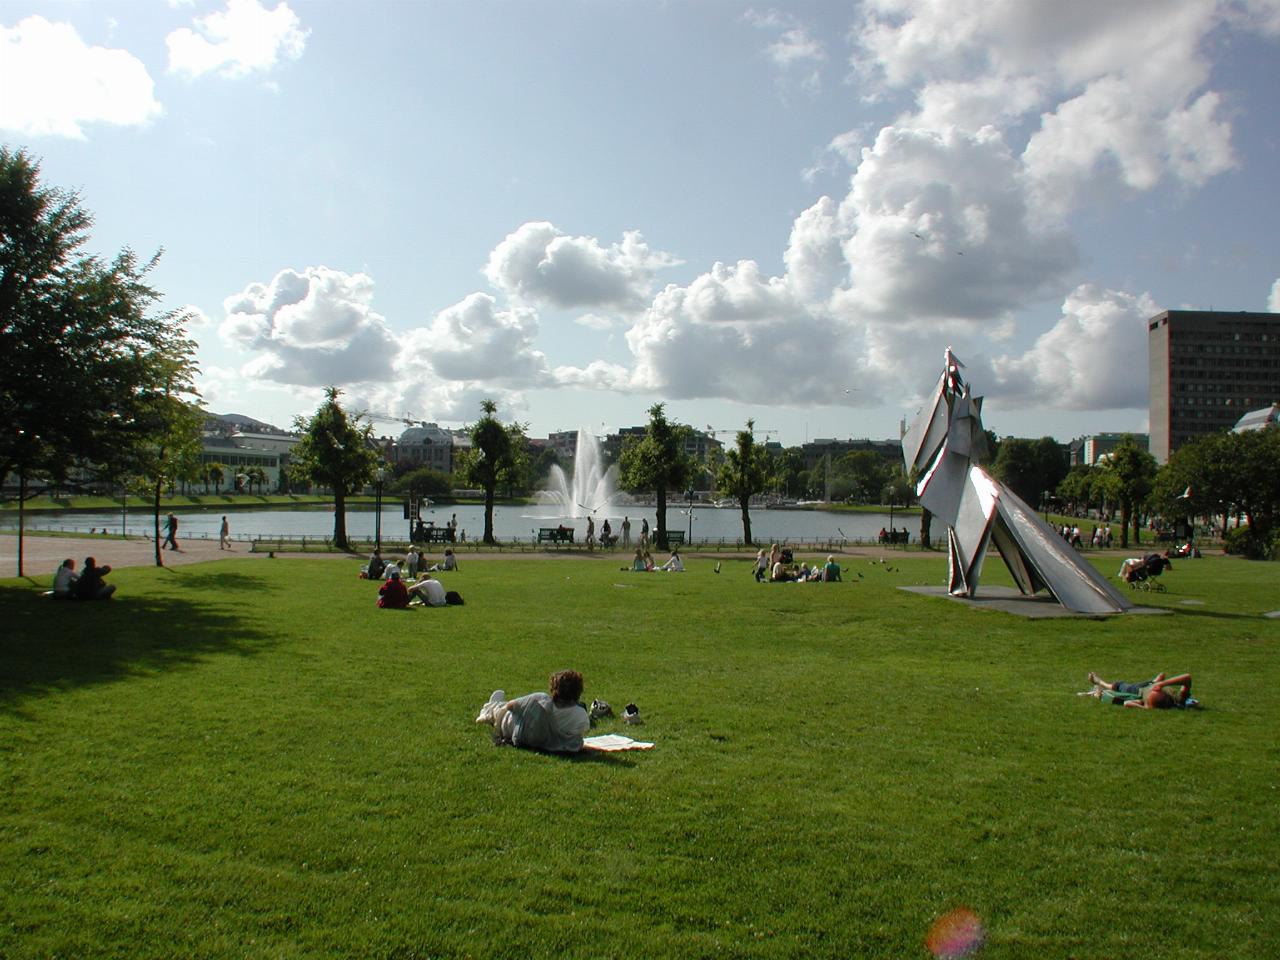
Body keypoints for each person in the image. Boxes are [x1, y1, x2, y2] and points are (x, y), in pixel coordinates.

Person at [477, 669, 590, 753]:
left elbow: (511, 706)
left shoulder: (541, 701)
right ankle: (493, 707)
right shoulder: (581, 715)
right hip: (539, 739)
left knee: (506, 710)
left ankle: (489, 709)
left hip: (519, 731)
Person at [1085, 671, 1197, 709]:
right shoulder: (1180, 698)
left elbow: (1127, 703)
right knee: (1152, 683)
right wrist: (1163, 683)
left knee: (1119, 686)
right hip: (1151, 685)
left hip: (1138, 690)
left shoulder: (1148, 701)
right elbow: (1187, 678)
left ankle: (1099, 682)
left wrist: (1144, 707)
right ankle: (1154, 681)